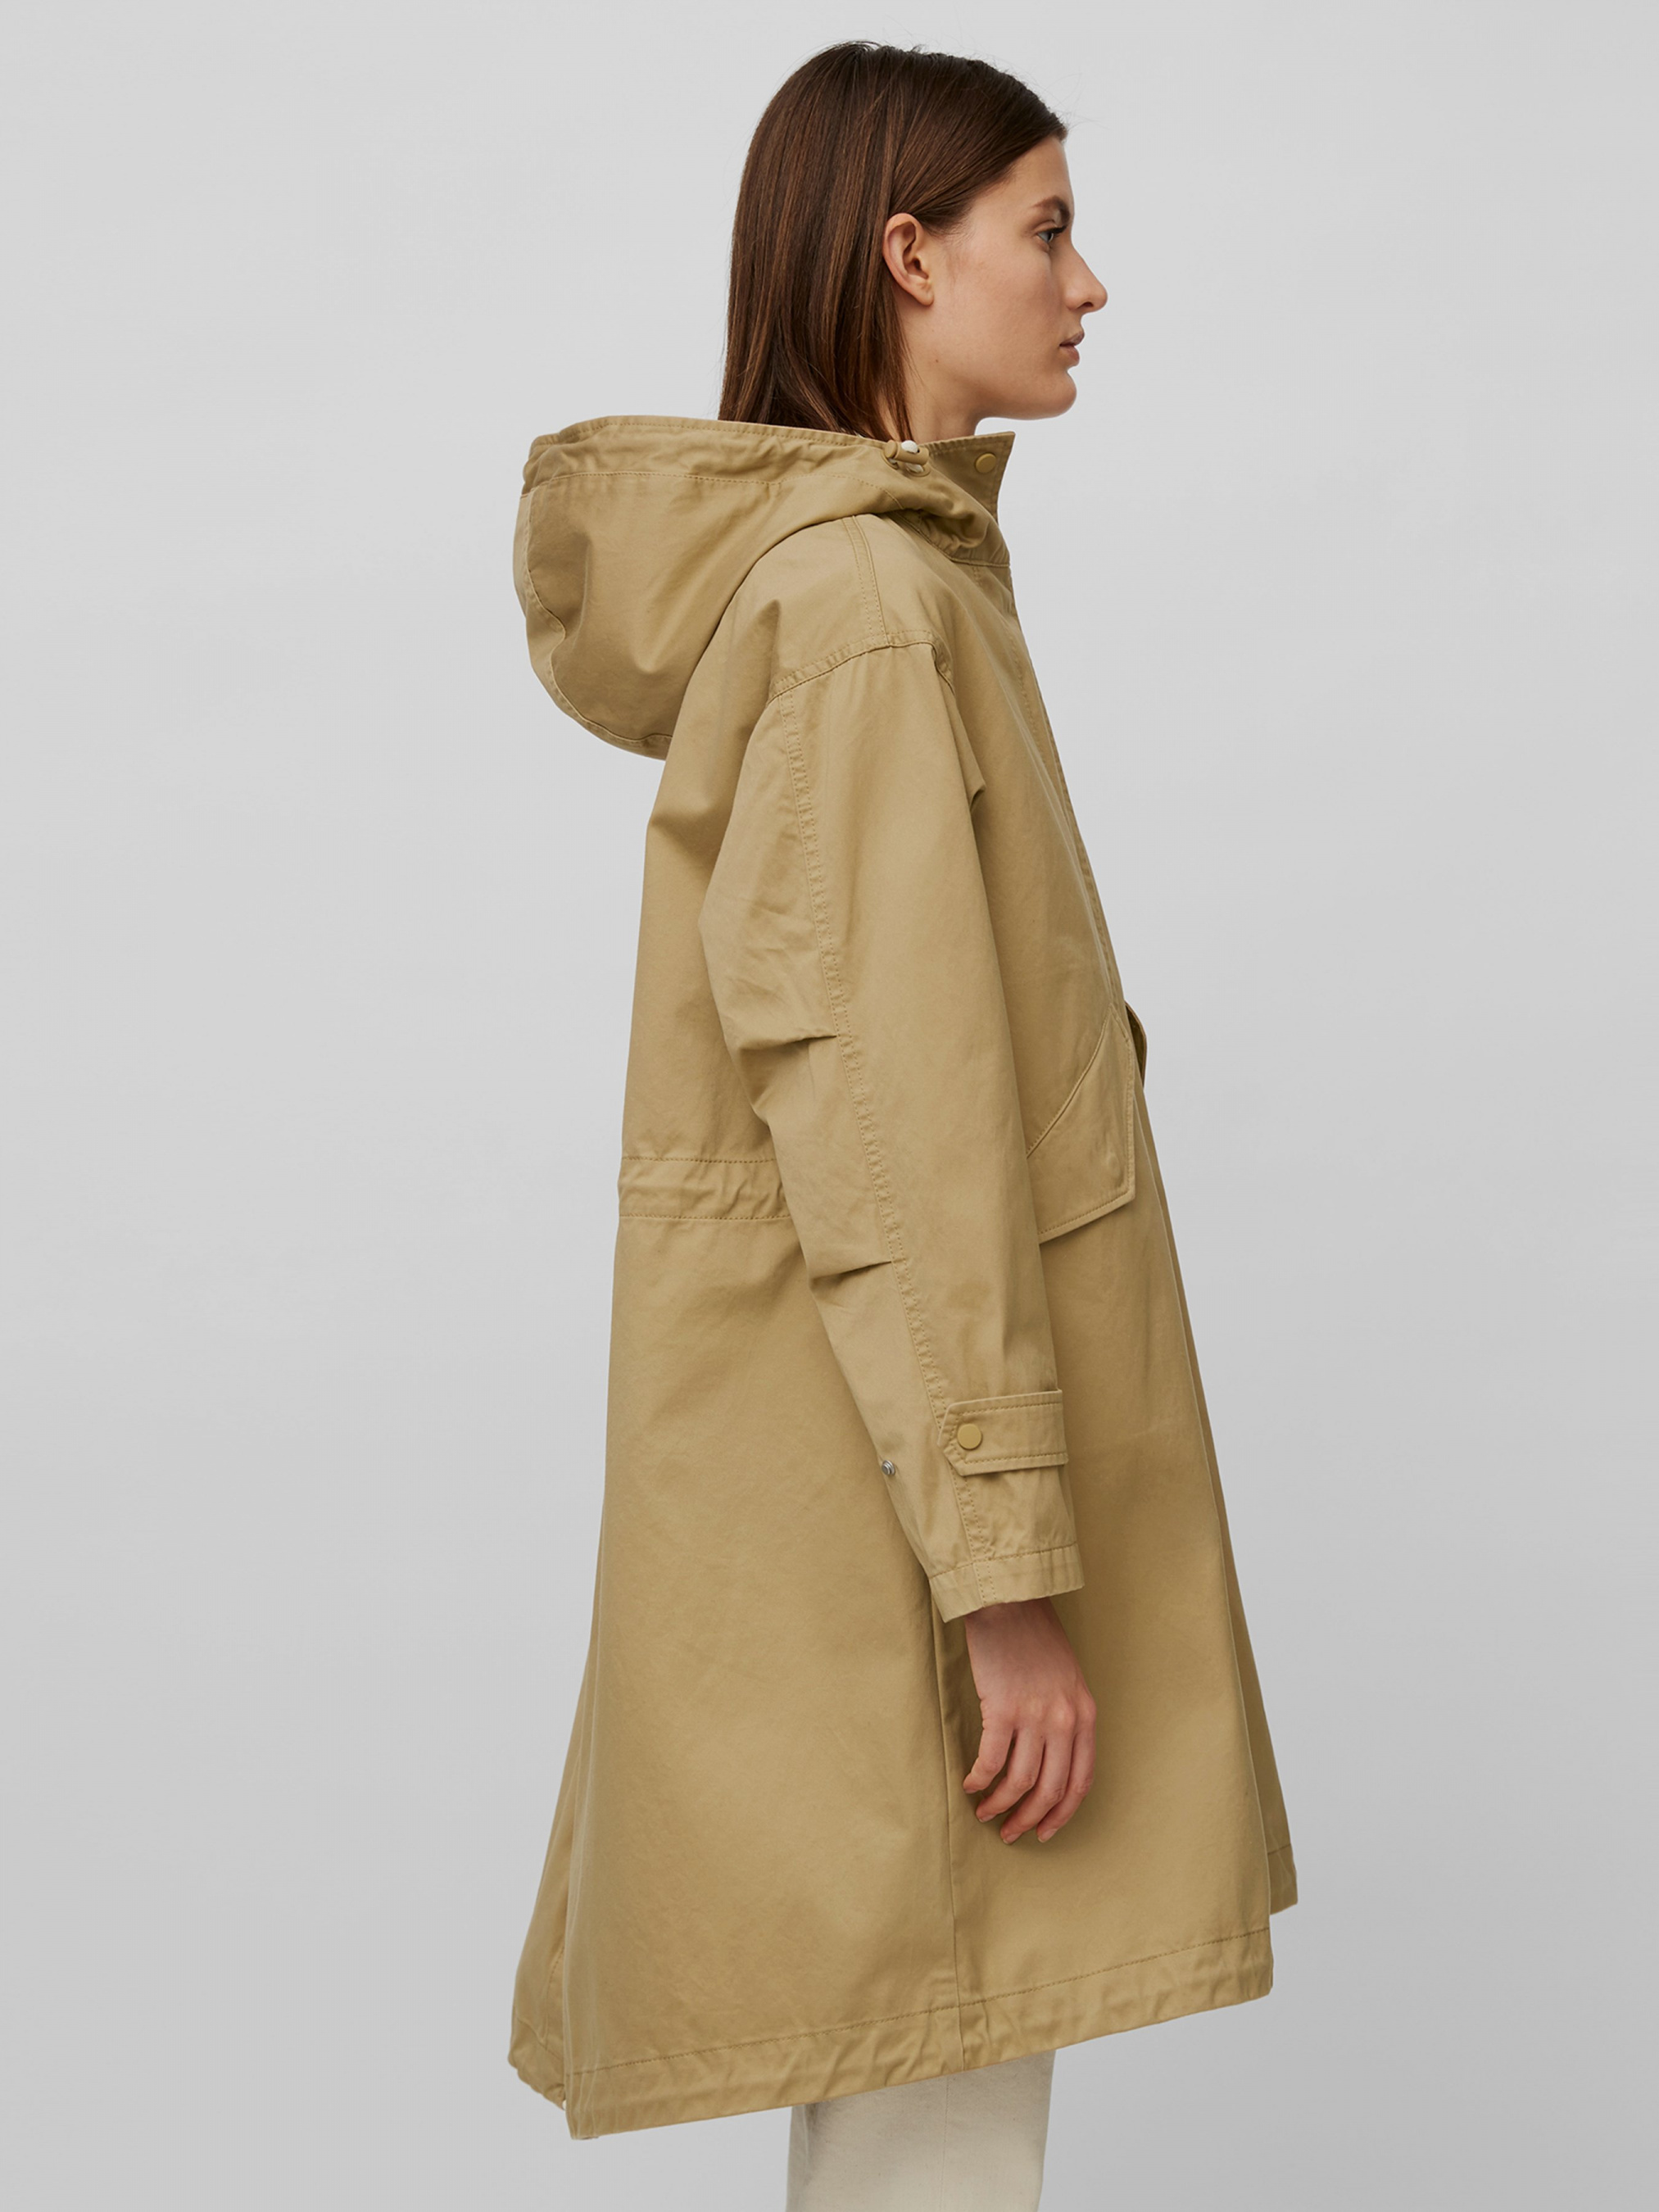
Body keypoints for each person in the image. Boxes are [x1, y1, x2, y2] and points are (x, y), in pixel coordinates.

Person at [507, 40, 1296, 2208]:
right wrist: (1005, 1581)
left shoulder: (892, 585)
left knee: (915, 2105)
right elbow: (896, 1131)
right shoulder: (863, 608)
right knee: (932, 2127)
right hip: (908, 1530)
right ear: (907, 254)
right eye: (1048, 228)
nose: (1088, 282)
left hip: (874, 1488)